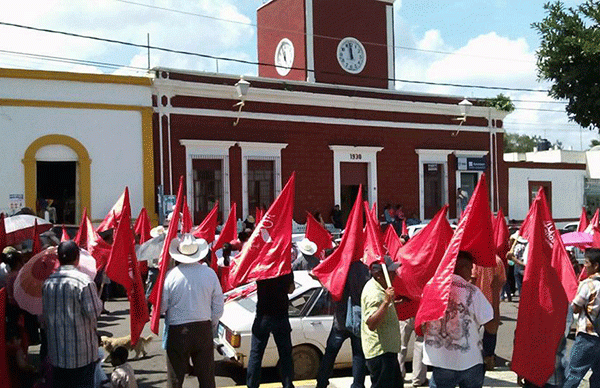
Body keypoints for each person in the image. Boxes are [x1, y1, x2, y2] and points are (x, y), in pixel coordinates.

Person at [422, 251, 493, 388]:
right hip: (469, 360)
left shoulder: (431, 286)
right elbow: (491, 325)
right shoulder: (472, 292)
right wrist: (495, 292)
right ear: (463, 267)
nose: (472, 273)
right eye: (471, 268)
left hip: (441, 360)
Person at [161, 234, 224, 388]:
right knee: (207, 378)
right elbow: (218, 306)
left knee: (175, 380)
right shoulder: (209, 273)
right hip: (203, 328)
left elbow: (162, 306)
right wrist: (211, 325)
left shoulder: (171, 276)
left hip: (178, 330)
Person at [42, 240, 103, 388]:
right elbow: (94, 312)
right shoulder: (84, 281)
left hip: (57, 354)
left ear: (59, 259)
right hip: (81, 356)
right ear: (77, 257)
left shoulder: (48, 282)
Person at [316, 260, 371, 388]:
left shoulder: (340, 267)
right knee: (358, 355)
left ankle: (322, 382)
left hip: (340, 319)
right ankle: (357, 384)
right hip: (357, 318)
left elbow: (329, 287)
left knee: (330, 353)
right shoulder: (363, 270)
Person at [246, 271, 295, 388]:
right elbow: (291, 289)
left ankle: (252, 385)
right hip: (281, 316)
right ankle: (287, 384)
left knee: (256, 354)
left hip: (263, 316)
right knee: (285, 355)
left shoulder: (262, 266)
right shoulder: (286, 267)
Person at [361, 256, 403, 388]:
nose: (395, 275)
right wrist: (386, 302)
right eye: (391, 272)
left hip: (388, 350)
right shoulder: (375, 293)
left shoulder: (380, 288)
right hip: (381, 353)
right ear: (379, 275)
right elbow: (371, 324)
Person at [563, 248, 600, 388]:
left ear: (595, 265)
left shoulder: (587, 284)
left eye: (586, 263)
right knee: (598, 376)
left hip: (587, 336)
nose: (584, 266)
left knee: (573, 373)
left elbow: (576, 307)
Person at [471, 255, 506, 371]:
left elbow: (472, 279)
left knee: (472, 331)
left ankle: (472, 357)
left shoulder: (476, 260)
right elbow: (502, 280)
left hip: (476, 302)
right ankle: (489, 358)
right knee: (491, 333)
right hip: (491, 302)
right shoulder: (498, 260)